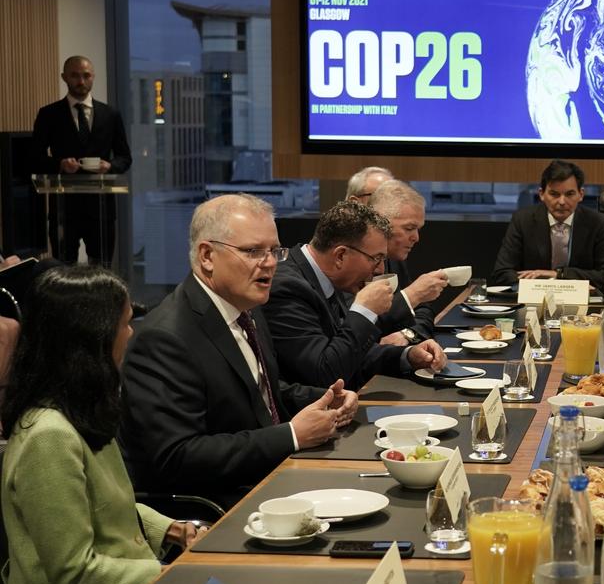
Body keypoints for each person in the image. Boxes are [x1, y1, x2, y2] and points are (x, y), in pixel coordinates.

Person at [120, 194, 356, 507]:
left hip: (269, 479)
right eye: (253, 251)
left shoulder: (246, 307)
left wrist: (324, 399)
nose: (270, 262)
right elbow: (177, 456)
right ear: (207, 256)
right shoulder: (165, 338)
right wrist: (292, 435)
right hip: (219, 503)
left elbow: (258, 393)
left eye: (273, 251)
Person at [1, 266, 204, 584]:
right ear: (93, 338)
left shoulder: (80, 410)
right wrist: (171, 574)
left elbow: (105, 505)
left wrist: (170, 528)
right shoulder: (50, 436)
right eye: (125, 324)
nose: (131, 333)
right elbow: (74, 574)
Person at [264, 200, 446, 390]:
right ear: (340, 255)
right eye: (376, 259)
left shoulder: (332, 277)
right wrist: (364, 311)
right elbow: (324, 374)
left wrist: (407, 356)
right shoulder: (287, 289)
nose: (380, 270)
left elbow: (350, 354)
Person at [30, 56, 133, 265]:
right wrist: (59, 164)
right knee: (63, 270)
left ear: (93, 77)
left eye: (86, 76)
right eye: (75, 76)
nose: (81, 81)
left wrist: (110, 166)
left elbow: (125, 157)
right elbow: (34, 158)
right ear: (64, 77)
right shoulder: (49, 114)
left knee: (102, 270)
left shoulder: (110, 114)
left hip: (101, 207)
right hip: (63, 208)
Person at [490, 159, 604, 291]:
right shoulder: (523, 220)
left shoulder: (597, 222)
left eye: (569, 194)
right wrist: (543, 284)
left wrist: (560, 274)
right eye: (554, 194)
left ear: (581, 195)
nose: (562, 201)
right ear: (541, 194)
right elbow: (501, 273)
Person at [368, 180, 449, 345]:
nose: (416, 238)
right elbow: (357, 325)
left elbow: (423, 311)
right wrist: (412, 294)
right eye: (409, 228)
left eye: (418, 229)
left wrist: (408, 334)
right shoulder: (353, 262)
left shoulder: (394, 258)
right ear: (380, 222)